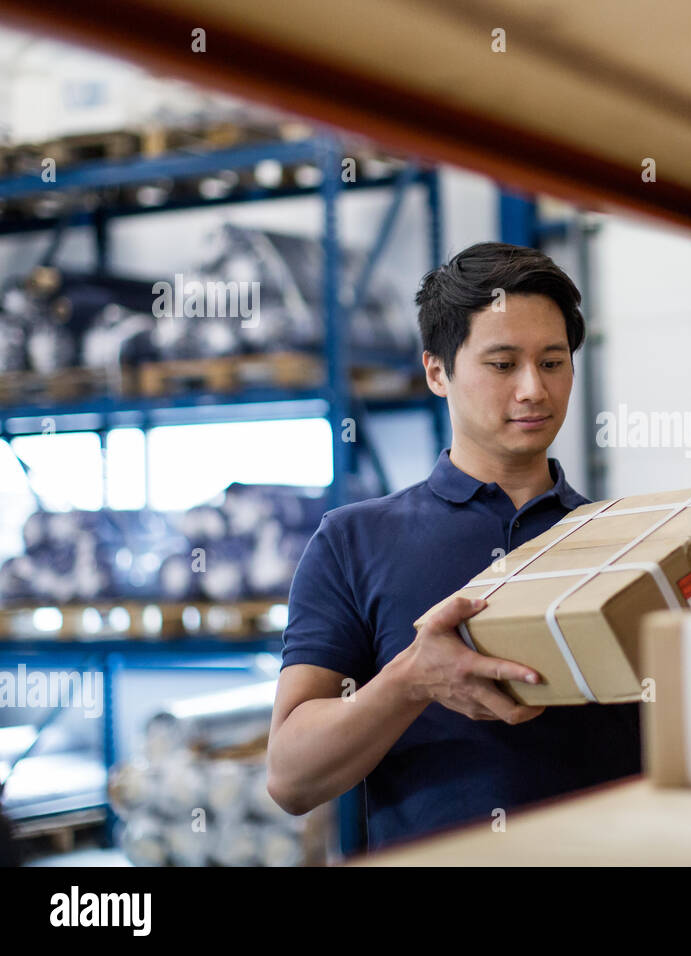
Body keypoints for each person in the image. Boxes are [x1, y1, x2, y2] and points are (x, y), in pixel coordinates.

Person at [267, 242, 641, 852]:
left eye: (552, 362)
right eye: (502, 364)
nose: (533, 391)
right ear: (437, 371)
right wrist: (412, 680)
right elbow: (290, 777)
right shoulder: (353, 541)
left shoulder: (622, 541)